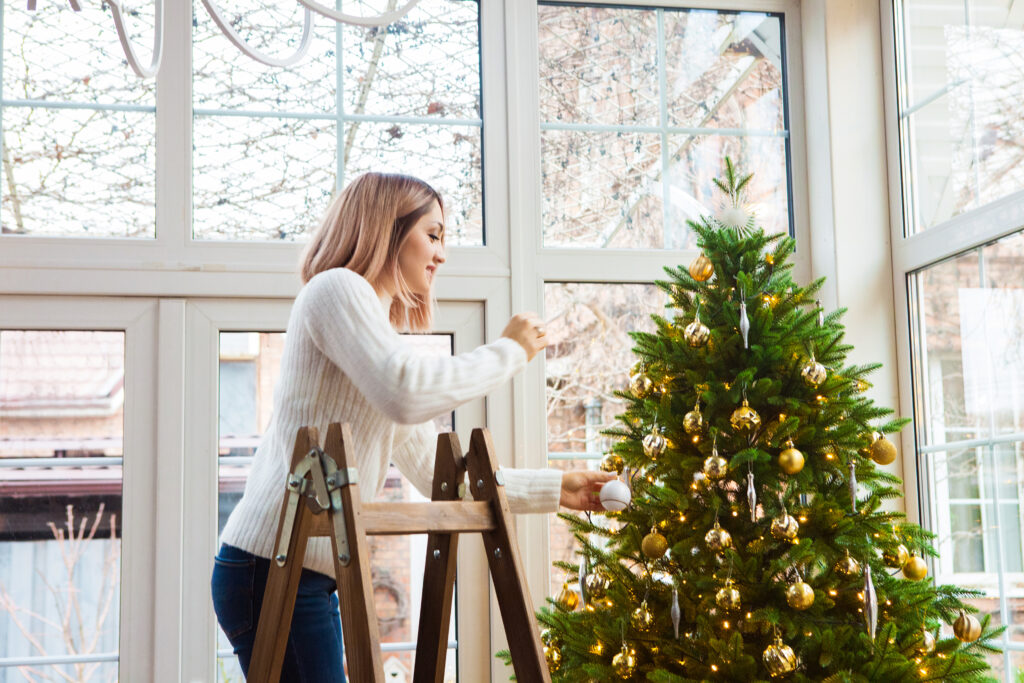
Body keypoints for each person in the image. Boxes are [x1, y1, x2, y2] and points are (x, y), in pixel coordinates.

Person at [211, 172, 613, 681]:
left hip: (300, 573)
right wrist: (511, 351)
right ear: (388, 229)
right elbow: (406, 392)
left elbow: (436, 474)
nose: (442, 254)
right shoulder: (336, 289)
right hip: (271, 566)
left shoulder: (374, 339)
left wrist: (559, 488)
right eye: (434, 233)